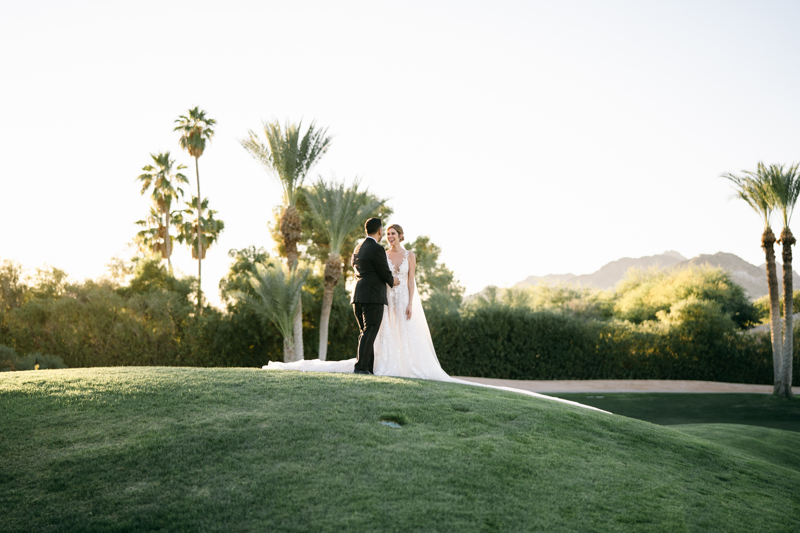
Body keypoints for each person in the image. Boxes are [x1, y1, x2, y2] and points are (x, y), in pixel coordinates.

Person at [350, 217, 399, 375]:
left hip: (358, 295)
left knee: (365, 332)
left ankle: (367, 368)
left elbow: (355, 266)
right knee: (369, 331)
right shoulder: (377, 249)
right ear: (379, 231)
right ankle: (360, 368)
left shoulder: (358, 248)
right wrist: (393, 280)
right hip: (372, 296)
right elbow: (384, 271)